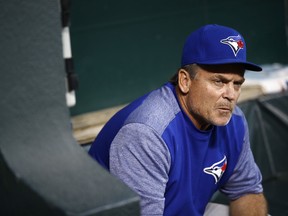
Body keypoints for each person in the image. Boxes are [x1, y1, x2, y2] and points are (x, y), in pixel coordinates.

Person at [88, 24, 268, 215]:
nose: (231, 94)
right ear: (185, 81)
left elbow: (247, 191)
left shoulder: (234, 121)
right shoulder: (148, 132)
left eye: (237, 83)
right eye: (219, 81)